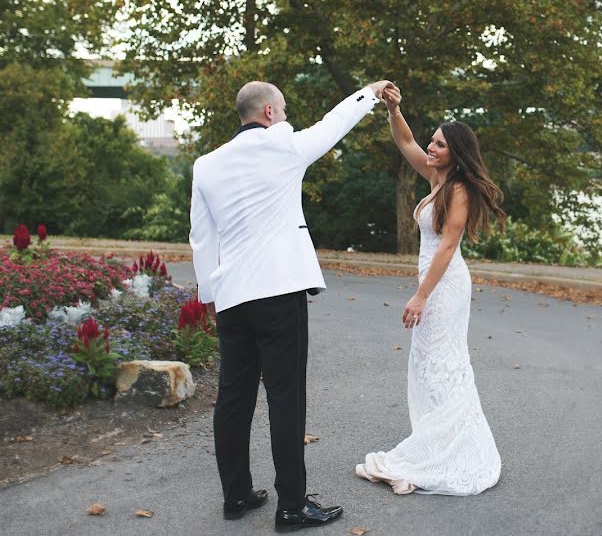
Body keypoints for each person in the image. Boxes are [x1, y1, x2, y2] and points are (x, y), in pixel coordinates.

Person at [190, 79, 392, 530]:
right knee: (286, 398)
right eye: (282, 110)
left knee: (233, 397)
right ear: (267, 113)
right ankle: (292, 506)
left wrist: (211, 293)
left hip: (232, 297)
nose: (285, 117)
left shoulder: (206, 165)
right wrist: (369, 92)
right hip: (278, 293)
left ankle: (237, 495)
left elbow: (201, 238)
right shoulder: (283, 148)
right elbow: (333, 125)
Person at [355, 85, 505, 495]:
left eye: (439, 144)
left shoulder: (458, 190)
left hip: (445, 284)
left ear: (455, 152)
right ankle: (437, 443)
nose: (431, 147)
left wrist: (421, 295)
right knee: (429, 364)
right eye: (432, 142)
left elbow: (448, 245)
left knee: (444, 366)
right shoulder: (435, 177)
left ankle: (451, 452)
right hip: (432, 281)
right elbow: (404, 139)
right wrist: (393, 109)